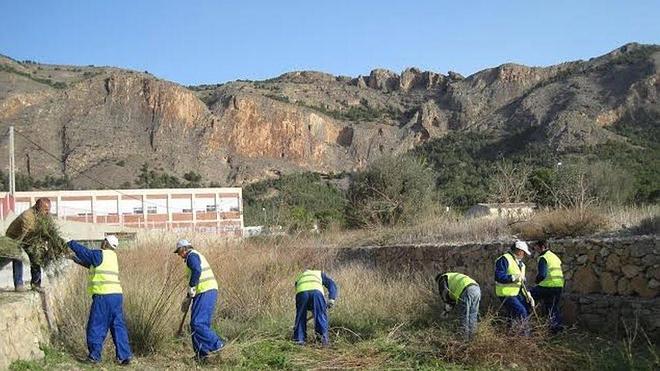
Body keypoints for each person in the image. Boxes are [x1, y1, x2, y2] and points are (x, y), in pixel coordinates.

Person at [66, 235, 132, 365]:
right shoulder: (112, 257)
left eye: (104, 240)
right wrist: (75, 259)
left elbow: (86, 253)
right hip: (116, 296)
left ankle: (94, 357)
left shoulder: (100, 254)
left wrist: (70, 242)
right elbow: (92, 264)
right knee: (118, 326)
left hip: (103, 296)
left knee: (96, 325)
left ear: (106, 243)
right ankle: (124, 357)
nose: (102, 242)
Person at [174, 239, 224, 360]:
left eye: (179, 252)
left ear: (184, 249)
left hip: (206, 291)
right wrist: (188, 296)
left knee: (198, 323)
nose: (179, 255)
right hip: (203, 292)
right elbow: (194, 276)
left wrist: (192, 286)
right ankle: (201, 355)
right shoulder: (192, 256)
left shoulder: (192, 255)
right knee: (198, 324)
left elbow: (197, 270)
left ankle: (219, 345)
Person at [4, 198, 52, 292]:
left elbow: (49, 230)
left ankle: (36, 284)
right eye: (45, 209)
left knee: (35, 257)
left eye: (49, 209)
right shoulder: (27, 216)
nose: (48, 212)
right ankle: (19, 284)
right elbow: (29, 234)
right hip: (15, 237)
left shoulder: (46, 215)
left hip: (28, 237)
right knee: (17, 256)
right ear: (38, 207)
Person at [494, 240, 534, 334]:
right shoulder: (504, 259)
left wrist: (528, 295)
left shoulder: (522, 265)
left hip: (516, 293)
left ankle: (510, 336)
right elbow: (498, 277)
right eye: (523, 252)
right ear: (519, 250)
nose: (524, 255)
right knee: (521, 312)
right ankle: (524, 338)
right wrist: (513, 277)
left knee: (515, 314)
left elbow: (522, 284)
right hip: (506, 293)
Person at [293, 269, 338, 346]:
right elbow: (332, 284)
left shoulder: (299, 276)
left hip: (301, 293)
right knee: (320, 315)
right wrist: (331, 299)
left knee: (300, 317)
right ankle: (322, 341)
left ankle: (299, 340)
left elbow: (298, 289)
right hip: (316, 293)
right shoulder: (318, 273)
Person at [531, 240, 564, 334]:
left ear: (542, 247)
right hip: (558, 285)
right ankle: (556, 329)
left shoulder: (543, 257)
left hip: (547, 286)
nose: (535, 249)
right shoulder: (554, 257)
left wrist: (536, 281)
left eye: (536, 247)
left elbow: (542, 275)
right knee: (553, 307)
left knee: (528, 297)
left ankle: (524, 320)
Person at [435, 272, 481, 340]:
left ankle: (464, 340)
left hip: (466, 290)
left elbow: (445, 294)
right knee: (472, 316)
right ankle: (472, 339)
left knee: (464, 316)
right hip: (476, 289)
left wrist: (446, 310)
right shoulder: (453, 276)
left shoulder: (442, 278)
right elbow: (451, 295)